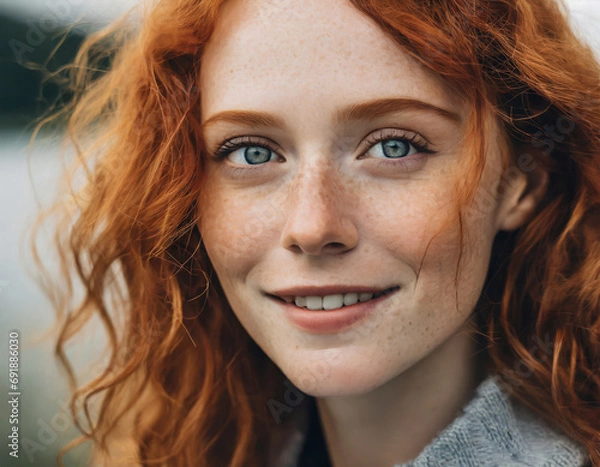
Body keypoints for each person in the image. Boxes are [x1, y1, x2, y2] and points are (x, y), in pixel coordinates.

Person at [31, 0, 600, 465]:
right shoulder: (186, 448)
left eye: (393, 146)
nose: (312, 226)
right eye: (252, 152)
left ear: (520, 186)